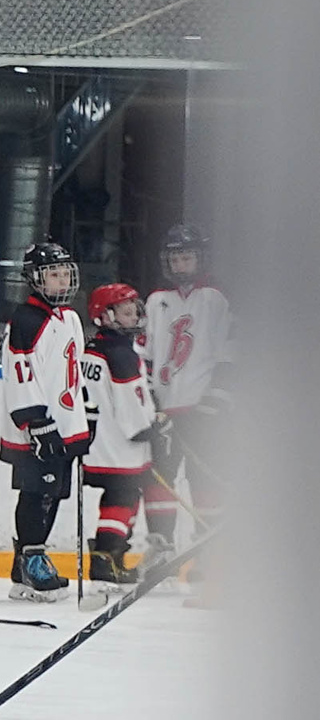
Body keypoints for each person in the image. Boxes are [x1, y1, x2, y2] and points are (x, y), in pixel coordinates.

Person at [0, 238, 91, 601]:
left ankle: (26, 564)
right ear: (35, 279)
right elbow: (19, 373)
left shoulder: (69, 318)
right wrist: (35, 420)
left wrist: (85, 415)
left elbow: (74, 373)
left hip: (65, 425)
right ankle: (31, 560)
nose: (62, 280)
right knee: (35, 493)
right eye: (53, 274)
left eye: (65, 273)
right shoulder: (24, 320)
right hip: (36, 430)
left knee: (53, 494)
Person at [143, 222, 230, 548]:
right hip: (164, 412)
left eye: (187, 258)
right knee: (158, 480)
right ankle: (160, 546)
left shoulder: (217, 299)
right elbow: (145, 354)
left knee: (204, 478)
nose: (181, 265)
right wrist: (148, 398)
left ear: (200, 258)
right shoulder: (155, 301)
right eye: (175, 259)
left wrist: (215, 400)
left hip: (202, 410)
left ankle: (208, 549)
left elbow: (230, 355)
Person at [80, 281, 157, 586]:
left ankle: (109, 559)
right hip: (119, 447)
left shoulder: (91, 348)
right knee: (123, 496)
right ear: (105, 316)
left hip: (92, 445)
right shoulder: (123, 355)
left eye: (134, 310)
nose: (134, 316)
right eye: (126, 312)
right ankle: (106, 560)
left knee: (120, 496)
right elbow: (132, 410)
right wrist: (149, 428)